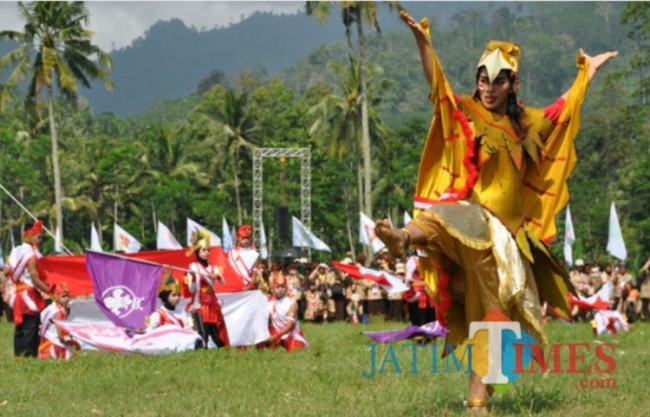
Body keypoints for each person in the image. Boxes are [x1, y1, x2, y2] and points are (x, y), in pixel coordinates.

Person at [375, 10, 617, 413]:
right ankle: (403, 238)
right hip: (472, 218)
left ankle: (477, 400)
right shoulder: (468, 110)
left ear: (512, 84)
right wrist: (423, 43)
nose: (487, 87)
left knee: (492, 315)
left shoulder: (526, 126)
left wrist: (586, 74)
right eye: (483, 79)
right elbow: (440, 90)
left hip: (508, 240)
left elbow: (561, 112)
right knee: (447, 213)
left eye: (497, 81)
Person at [3, 220, 49, 357]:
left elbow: (7, 270)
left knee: (20, 328)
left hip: (18, 293)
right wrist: (50, 292)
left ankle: (19, 356)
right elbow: (35, 279)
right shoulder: (31, 255)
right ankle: (29, 356)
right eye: (38, 236)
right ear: (30, 235)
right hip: (29, 295)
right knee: (31, 327)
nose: (40, 240)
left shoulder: (16, 250)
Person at [186, 230, 230, 348]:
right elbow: (191, 289)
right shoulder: (193, 267)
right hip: (199, 305)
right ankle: (202, 354)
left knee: (215, 334)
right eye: (203, 250)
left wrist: (217, 276)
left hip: (212, 305)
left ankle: (224, 352)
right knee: (203, 334)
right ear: (197, 251)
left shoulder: (213, 267)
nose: (206, 253)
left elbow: (223, 281)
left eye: (208, 250)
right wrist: (194, 277)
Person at [263, 273, 308, 352]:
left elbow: (289, 326)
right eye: (277, 287)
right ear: (273, 289)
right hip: (277, 334)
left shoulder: (292, 304)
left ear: (286, 289)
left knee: (295, 350)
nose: (280, 289)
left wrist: (275, 337)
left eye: (282, 287)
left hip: (291, 335)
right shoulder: (268, 303)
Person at [38, 283, 78, 360]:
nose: (67, 298)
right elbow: (61, 336)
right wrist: (74, 342)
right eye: (63, 296)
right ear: (56, 298)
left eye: (67, 296)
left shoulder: (55, 308)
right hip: (55, 343)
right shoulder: (58, 313)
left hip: (51, 341)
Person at [229, 224, 262, 290]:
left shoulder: (255, 254)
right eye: (243, 238)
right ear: (238, 238)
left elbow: (255, 272)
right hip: (233, 285)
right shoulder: (232, 252)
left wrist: (250, 286)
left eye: (248, 238)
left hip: (248, 286)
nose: (246, 241)